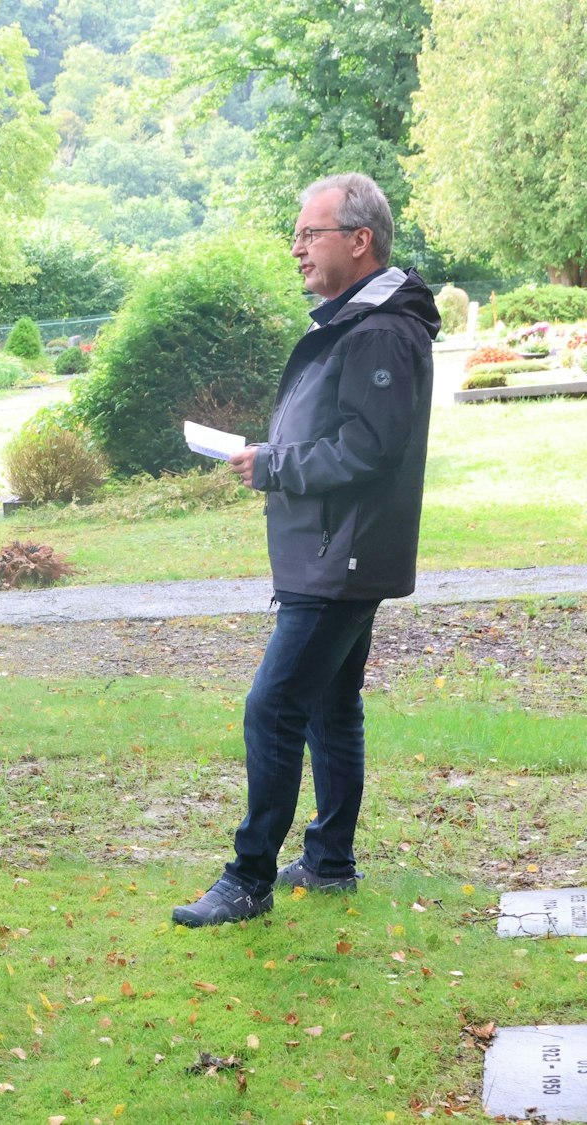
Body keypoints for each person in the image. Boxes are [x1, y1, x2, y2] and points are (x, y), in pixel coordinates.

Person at [173, 173, 438, 927]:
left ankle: (248, 876)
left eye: (309, 233)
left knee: (273, 707)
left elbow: (369, 446)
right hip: (336, 552)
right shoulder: (362, 319)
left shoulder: (381, 329)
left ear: (360, 241)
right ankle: (328, 862)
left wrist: (275, 465)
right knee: (329, 704)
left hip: (340, 558)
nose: (296, 248)